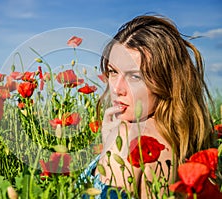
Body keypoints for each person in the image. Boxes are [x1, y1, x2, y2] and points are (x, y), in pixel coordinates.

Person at [82, 14, 214, 199]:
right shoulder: (175, 139)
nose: (116, 88)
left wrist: (115, 145)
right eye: (113, 72)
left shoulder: (131, 139)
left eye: (135, 76)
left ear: (167, 82)